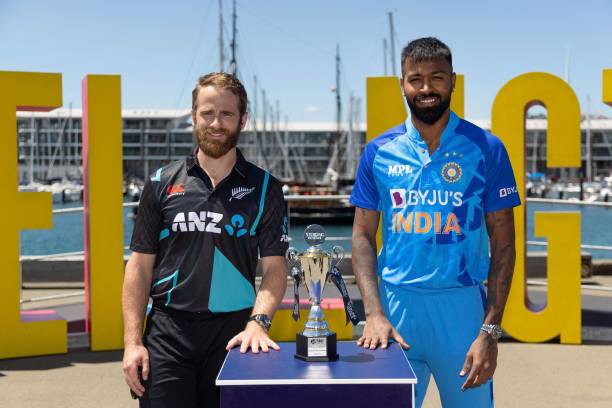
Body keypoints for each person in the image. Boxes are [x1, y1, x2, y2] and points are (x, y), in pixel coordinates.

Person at [350, 37, 520, 407]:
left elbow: (504, 244)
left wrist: (490, 330)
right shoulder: (378, 151)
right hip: (395, 314)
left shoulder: (486, 148)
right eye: (416, 79)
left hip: (461, 314)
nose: (426, 88)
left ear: (453, 81)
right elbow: (362, 235)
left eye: (437, 78)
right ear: (402, 84)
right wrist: (374, 313)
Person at [122, 72, 289, 408]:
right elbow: (139, 267)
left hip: (235, 334)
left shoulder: (267, 188)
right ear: (194, 116)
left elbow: (275, 267)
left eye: (227, 114)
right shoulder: (160, 183)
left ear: (243, 120)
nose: (216, 123)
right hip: (167, 334)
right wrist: (132, 342)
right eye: (207, 113)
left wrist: (259, 323)